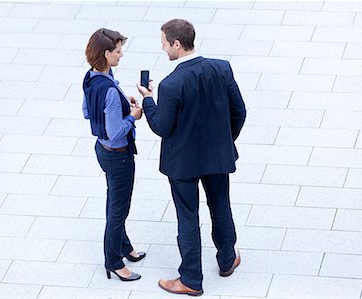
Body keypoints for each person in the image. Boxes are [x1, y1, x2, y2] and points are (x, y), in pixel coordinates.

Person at [137, 19, 246, 296]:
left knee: (187, 216)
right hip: (216, 156)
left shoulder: (171, 84)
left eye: (164, 44)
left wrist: (149, 100)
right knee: (220, 204)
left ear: (176, 44)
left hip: (183, 163)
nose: (163, 49)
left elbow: (162, 126)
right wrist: (225, 141)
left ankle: (190, 279)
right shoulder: (221, 68)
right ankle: (226, 260)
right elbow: (239, 111)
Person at [82, 28, 145, 282]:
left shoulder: (90, 77)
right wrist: (131, 116)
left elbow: (88, 112)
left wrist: (120, 103)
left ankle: (124, 245)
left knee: (114, 201)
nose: (121, 54)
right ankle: (114, 261)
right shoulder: (108, 89)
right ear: (107, 54)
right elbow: (116, 132)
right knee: (119, 208)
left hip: (102, 151)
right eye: (118, 51)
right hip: (118, 155)